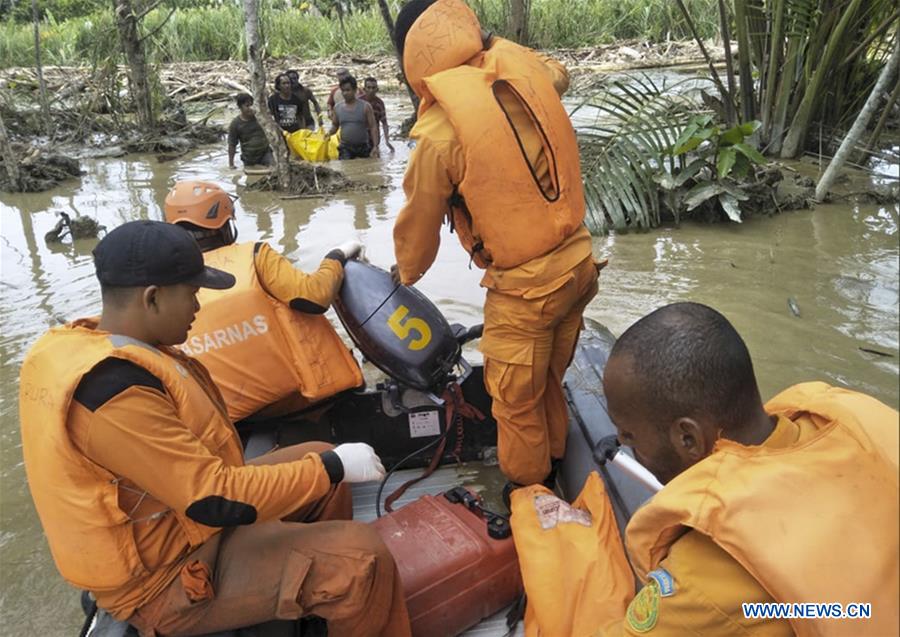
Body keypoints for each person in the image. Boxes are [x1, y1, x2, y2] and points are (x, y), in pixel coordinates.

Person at [18, 220, 411, 637]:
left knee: (314, 455)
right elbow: (212, 500)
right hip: (164, 579)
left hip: (181, 530)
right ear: (152, 298)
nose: (198, 308)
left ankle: (305, 600)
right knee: (363, 557)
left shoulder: (105, 345)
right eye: (191, 294)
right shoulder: (112, 392)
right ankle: (337, 578)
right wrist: (331, 466)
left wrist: (324, 467)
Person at [510, 302, 899, 636]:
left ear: (688, 439)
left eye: (630, 437)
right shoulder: (845, 415)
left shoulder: (705, 576)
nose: (625, 448)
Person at [391, 0, 601, 489]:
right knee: (547, 380)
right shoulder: (527, 72)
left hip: (527, 292)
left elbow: (417, 231)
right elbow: (558, 73)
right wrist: (501, 52)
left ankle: (531, 495)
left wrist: (402, 277)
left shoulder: (441, 134)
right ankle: (556, 467)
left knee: (515, 405)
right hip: (579, 264)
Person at [163, 180, 364, 422]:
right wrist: (338, 256)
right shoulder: (255, 256)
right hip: (296, 401)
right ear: (225, 225)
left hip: (229, 418)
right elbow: (315, 297)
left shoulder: (165, 282)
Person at [326, 75, 380, 159]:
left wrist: (375, 146)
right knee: (347, 169)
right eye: (343, 91)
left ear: (355, 90)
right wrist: (328, 134)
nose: (345, 93)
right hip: (345, 148)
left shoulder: (365, 107)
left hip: (363, 147)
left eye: (348, 90)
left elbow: (373, 127)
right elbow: (335, 126)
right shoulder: (337, 108)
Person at [227, 93, 272, 169]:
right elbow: (232, 144)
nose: (250, 108)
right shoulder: (236, 124)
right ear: (240, 107)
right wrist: (231, 164)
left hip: (265, 153)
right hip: (249, 158)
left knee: (273, 169)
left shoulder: (260, 118)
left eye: (252, 105)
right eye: (247, 106)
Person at [361, 77, 395, 153]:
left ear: (377, 89)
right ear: (364, 89)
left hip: (374, 139)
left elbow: (384, 123)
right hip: (360, 138)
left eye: (373, 88)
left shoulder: (379, 104)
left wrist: (387, 141)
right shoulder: (359, 102)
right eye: (368, 87)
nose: (371, 90)